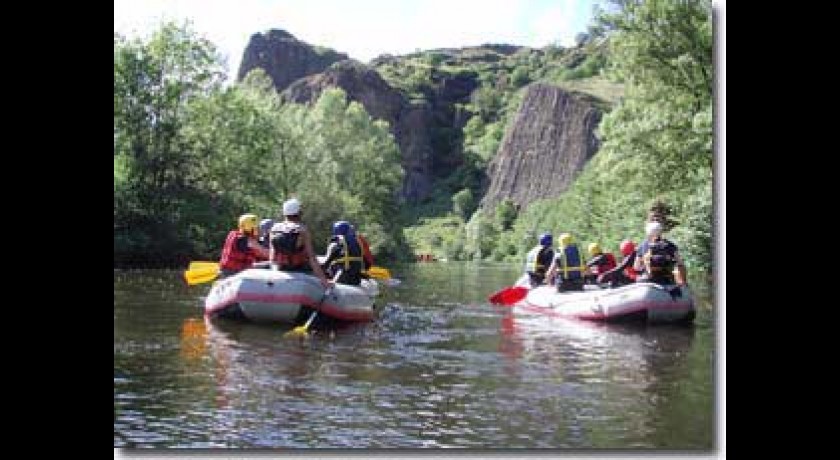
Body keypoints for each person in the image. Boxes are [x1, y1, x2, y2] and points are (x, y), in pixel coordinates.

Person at [269, 198, 332, 288]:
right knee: (325, 269)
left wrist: (274, 275)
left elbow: (272, 257)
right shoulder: (302, 229)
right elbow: (312, 258)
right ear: (298, 213)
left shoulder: (275, 228)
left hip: (281, 268)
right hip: (300, 269)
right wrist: (324, 281)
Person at [634, 221, 687, 286]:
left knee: (638, 279)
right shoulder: (670, 245)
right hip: (666, 280)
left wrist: (645, 268)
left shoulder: (642, 245)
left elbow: (636, 266)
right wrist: (684, 282)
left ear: (648, 233)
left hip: (647, 280)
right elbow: (680, 264)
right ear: (660, 232)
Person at [322, 221, 366, 285]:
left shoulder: (335, 244)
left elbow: (326, 263)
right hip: (356, 280)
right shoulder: (358, 244)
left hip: (341, 279)